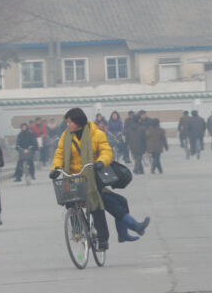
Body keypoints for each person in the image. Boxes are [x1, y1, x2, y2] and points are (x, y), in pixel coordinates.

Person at [49, 107, 150, 251]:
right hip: (73, 180)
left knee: (107, 202)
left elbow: (106, 151)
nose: (67, 125)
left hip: (91, 177)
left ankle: (119, 233)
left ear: (78, 122)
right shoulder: (65, 137)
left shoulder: (96, 134)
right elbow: (59, 154)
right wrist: (56, 168)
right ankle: (130, 228)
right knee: (107, 201)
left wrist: (102, 162)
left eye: (70, 122)